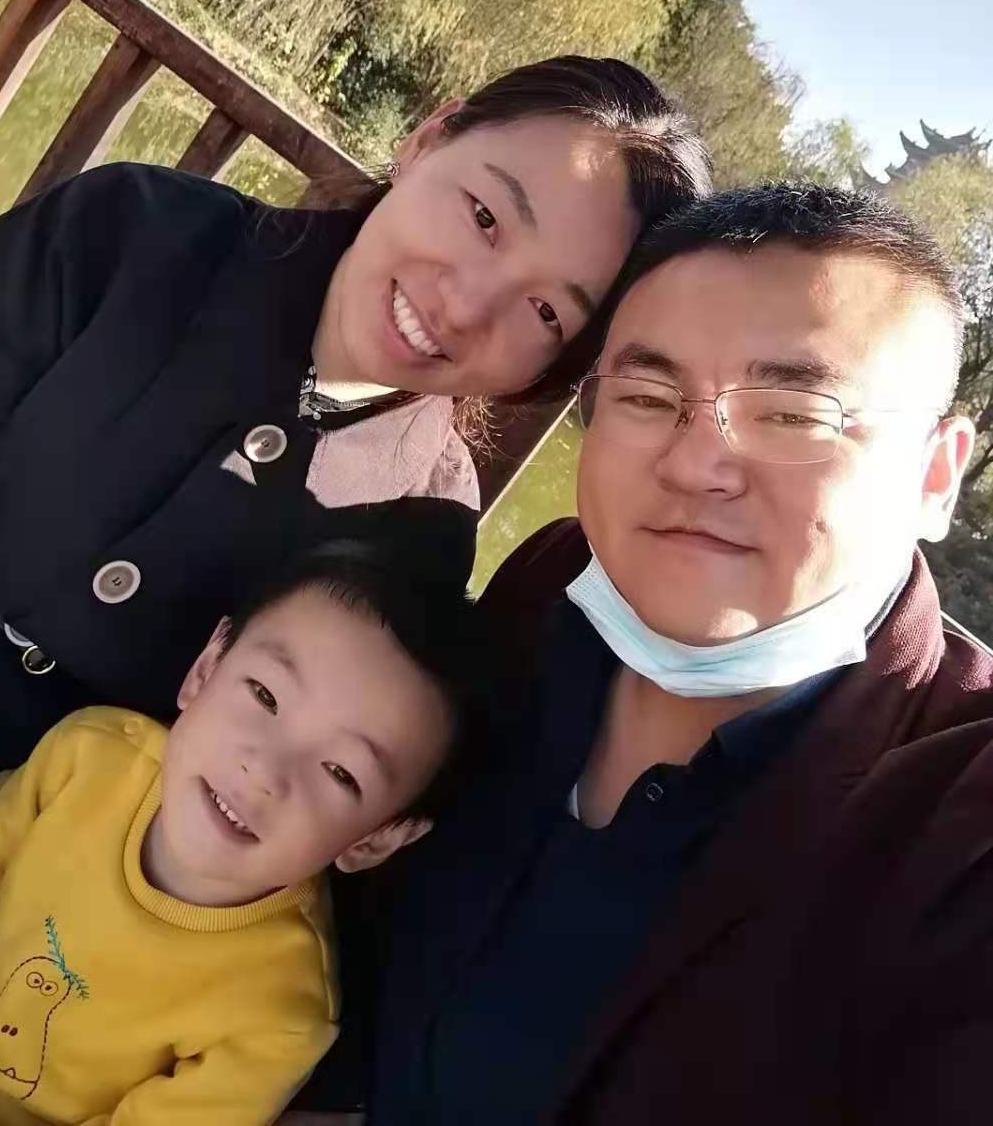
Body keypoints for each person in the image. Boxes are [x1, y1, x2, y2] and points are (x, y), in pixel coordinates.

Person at [0, 55, 712, 836]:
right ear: (428, 140)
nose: (465, 306)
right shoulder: (138, 232)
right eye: (484, 217)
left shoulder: (421, 530)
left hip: (20, 865)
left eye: (545, 313)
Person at [358, 182, 993, 1126]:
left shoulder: (960, 826)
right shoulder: (553, 587)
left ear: (935, 474)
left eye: (793, 414)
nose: (696, 466)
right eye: (650, 398)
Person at [0, 545, 496, 1125]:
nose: (263, 770)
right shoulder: (86, 759)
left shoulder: (281, 1008)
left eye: (341, 772)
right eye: (265, 695)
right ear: (206, 669)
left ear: (375, 840)